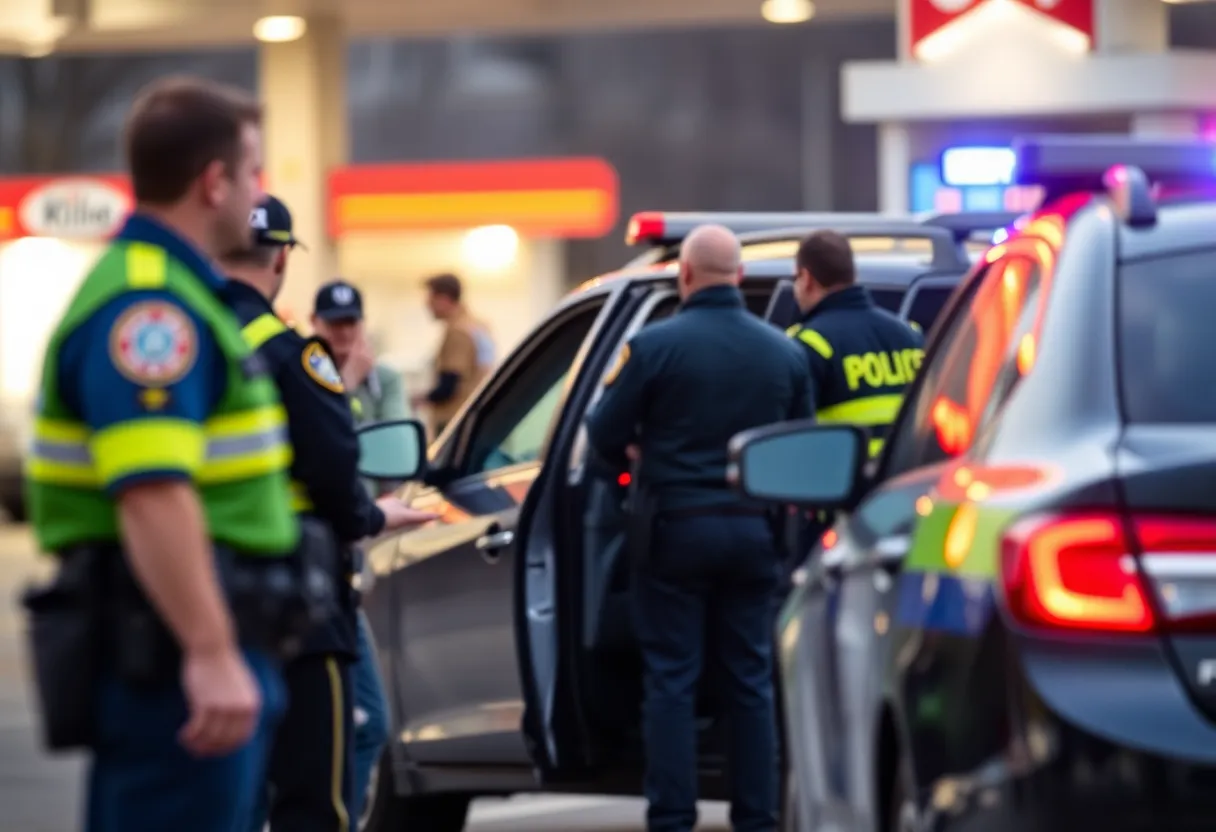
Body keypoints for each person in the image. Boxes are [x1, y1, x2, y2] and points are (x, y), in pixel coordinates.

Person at [22, 77, 298, 832]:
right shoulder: (151, 308)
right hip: (177, 656)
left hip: (189, 645)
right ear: (215, 183)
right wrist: (209, 652)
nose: (257, 193)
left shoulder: (174, 289)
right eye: (253, 173)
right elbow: (151, 489)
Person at [584, 224, 814, 832]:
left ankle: (673, 818)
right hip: (754, 537)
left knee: (671, 681)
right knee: (750, 681)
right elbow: (801, 450)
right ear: (738, 277)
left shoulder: (653, 348)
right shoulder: (785, 353)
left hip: (674, 534)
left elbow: (602, 436)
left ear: (684, 276)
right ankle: (759, 819)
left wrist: (631, 458)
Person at [222, 195, 436, 831]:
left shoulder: (186, 337)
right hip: (295, 599)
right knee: (315, 795)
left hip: (191, 595)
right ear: (283, 256)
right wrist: (371, 518)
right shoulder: (295, 357)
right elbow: (336, 473)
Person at [307, 278, 404, 819]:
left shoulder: (380, 376)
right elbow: (330, 449)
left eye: (351, 325)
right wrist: (344, 384)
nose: (343, 336)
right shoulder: (302, 371)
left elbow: (386, 455)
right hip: (311, 566)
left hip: (354, 550)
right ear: (314, 325)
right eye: (332, 325)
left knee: (368, 723)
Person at [787, 229, 925, 457]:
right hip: (906, 477)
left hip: (843, 480)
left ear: (806, 278)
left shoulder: (810, 344)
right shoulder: (910, 335)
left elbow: (796, 433)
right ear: (852, 274)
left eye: (795, 279)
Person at [310, 279, 411, 426]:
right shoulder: (304, 375)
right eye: (335, 323)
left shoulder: (385, 379)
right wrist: (345, 384)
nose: (344, 332)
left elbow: (395, 434)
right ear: (314, 322)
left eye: (350, 322)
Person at [411, 272, 494, 436]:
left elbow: (449, 385)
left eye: (431, 298)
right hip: (477, 415)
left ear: (444, 299)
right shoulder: (478, 325)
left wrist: (419, 399)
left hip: (455, 420)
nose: (427, 304)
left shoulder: (457, 332)